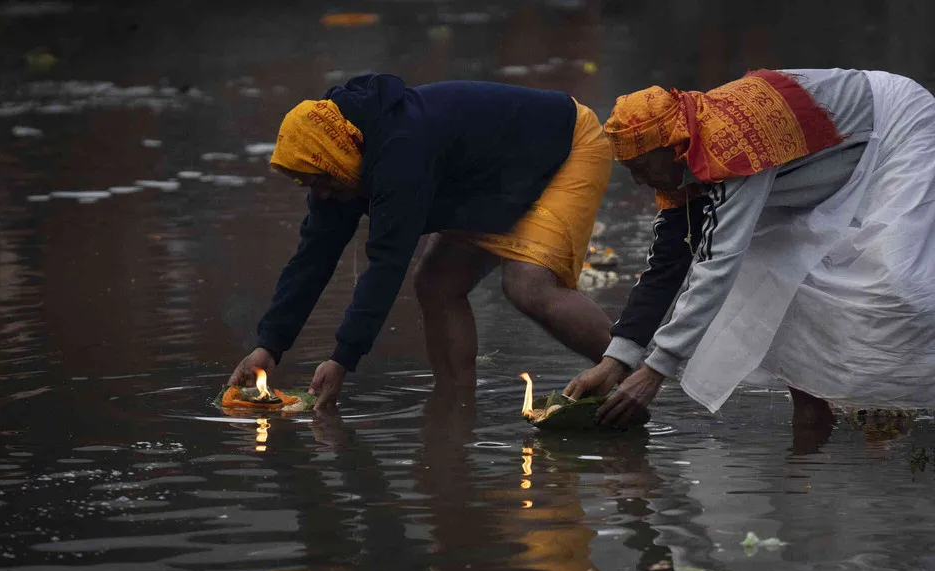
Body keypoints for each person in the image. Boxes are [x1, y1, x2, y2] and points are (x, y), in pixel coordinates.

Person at [565, 68, 935, 427]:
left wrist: (656, 369)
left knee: (904, 284)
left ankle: (889, 395)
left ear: (675, 147)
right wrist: (617, 359)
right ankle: (812, 409)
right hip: (825, 168)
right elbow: (668, 264)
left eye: (642, 167)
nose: (639, 181)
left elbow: (716, 264)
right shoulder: (684, 161)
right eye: (630, 170)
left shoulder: (730, 145)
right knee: (770, 267)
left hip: (896, 125)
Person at [229, 74, 613, 406]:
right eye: (310, 184)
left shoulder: (400, 154)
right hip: (488, 180)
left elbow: (386, 265)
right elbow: (311, 261)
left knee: (526, 285)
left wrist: (342, 359)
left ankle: (629, 370)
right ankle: (455, 405)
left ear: (336, 158)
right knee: (436, 284)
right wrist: (269, 346)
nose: (321, 194)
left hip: (563, 148)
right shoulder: (338, 166)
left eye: (321, 181)